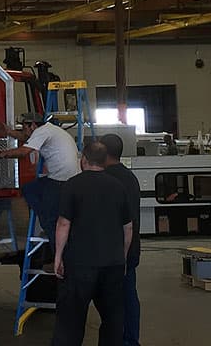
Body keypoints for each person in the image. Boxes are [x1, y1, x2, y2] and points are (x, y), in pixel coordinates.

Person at [52, 141, 133, 346]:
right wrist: (122, 257)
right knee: (112, 320)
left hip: (80, 265)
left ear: (83, 160)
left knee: (70, 322)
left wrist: (58, 256)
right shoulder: (118, 186)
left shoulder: (72, 185)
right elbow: (128, 227)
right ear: (105, 161)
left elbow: (63, 223)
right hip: (112, 265)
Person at [0, 112, 80, 248]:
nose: (24, 131)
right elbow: (25, 137)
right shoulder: (50, 129)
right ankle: (48, 221)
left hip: (60, 181)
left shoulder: (42, 131)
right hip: (68, 179)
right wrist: (9, 132)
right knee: (31, 189)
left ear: (33, 125)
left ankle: (58, 254)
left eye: (25, 127)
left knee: (48, 216)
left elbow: (24, 152)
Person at [100, 133, 141, 346]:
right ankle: (130, 340)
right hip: (131, 247)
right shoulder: (130, 177)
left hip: (116, 251)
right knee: (129, 296)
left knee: (116, 301)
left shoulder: (107, 179)